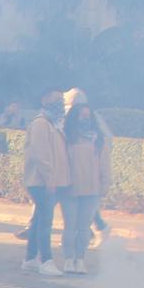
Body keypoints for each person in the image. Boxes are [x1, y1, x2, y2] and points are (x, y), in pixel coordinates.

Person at [61, 98, 111, 275]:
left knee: (83, 228)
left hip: (92, 190)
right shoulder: (66, 137)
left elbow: (104, 164)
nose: (85, 118)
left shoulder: (98, 139)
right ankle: (68, 259)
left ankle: (80, 260)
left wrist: (105, 184)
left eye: (88, 115)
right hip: (70, 188)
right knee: (69, 226)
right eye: (82, 115)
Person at [22, 90, 70, 275]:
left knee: (38, 220)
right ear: (44, 100)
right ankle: (46, 260)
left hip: (47, 181)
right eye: (56, 99)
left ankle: (31, 257)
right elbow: (41, 154)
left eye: (61, 99)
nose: (60, 102)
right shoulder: (41, 123)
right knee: (45, 223)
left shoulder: (53, 123)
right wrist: (50, 178)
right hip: (42, 181)